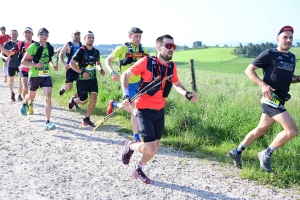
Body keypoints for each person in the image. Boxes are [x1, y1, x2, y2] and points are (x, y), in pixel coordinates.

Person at [121, 34, 197, 184]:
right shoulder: (146, 62)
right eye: (168, 46)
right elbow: (126, 75)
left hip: (160, 110)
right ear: (159, 47)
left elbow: (176, 84)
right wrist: (125, 96)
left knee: (155, 148)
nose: (172, 49)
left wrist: (186, 93)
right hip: (144, 110)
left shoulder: (171, 66)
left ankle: (138, 169)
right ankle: (130, 145)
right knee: (149, 147)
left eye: (173, 47)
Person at [229, 25, 298, 172]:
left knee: (260, 130)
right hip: (270, 98)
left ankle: (237, 151)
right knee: (292, 130)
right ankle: (266, 154)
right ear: (277, 38)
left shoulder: (292, 58)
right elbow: (249, 70)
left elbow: (287, 77)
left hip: (281, 99)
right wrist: (262, 84)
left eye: (291, 37)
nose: (288, 40)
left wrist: (297, 78)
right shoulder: (269, 54)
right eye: (285, 37)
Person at [105, 27, 148, 142]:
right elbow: (107, 60)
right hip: (126, 83)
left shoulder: (143, 49)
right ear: (129, 36)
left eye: (140, 36)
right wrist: (112, 72)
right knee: (136, 110)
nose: (138, 39)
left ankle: (114, 104)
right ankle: (136, 137)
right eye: (136, 36)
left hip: (139, 83)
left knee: (136, 109)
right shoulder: (122, 48)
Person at [20, 28, 59, 130]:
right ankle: (25, 102)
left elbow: (49, 58)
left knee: (48, 98)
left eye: (46, 34)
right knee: (31, 97)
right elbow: (24, 61)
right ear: (38, 35)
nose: (44, 36)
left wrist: (53, 65)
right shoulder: (34, 46)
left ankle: (48, 122)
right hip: (35, 75)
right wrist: (35, 64)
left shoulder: (49, 46)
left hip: (46, 75)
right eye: (42, 34)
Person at [69, 31, 105, 127]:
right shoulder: (81, 50)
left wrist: (101, 69)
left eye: (92, 37)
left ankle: (87, 119)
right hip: (82, 80)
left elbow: (98, 63)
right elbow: (71, 64)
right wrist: (81, 72)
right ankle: (73, 100)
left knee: (94, 97)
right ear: (84, 39)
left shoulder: (96, 51)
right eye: (89, 37)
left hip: (93, 79)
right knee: (83, 101)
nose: (91, 39)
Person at [0, 27, 36, 114]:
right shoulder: (20, 44)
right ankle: (24, 103)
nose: (27, 34)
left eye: (29, 33)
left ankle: (30, 102)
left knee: (32, 90)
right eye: (26, 33)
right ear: (23, 34)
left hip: (34, 69)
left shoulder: (36, 44)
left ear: (32, 34)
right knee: (25, 87)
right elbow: (9, 53)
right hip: (23, 68)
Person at [58, 30, 82, 110]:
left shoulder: (81, 45)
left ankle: (73, 101)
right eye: (75, 34)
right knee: (69, 88)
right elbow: (60, 55)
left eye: (78, 34)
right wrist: (65, 64)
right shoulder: (68, 44)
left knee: (81, 87)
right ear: (72, 35)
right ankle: (64, 87)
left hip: (79, 68)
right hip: (70, 69)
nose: (77, 36)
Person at [0, 30, 21, 102]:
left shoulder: (20, 43)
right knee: (11, 80)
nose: (14, 35)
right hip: (11, 64)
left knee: (20, 80)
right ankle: (12, 93)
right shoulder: (7, 43)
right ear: (10, 35)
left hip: (19, 65)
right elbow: (1, 54)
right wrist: (5, 58)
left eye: (15, 34)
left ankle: (20, 95)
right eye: (13, 34)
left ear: (18, 35)